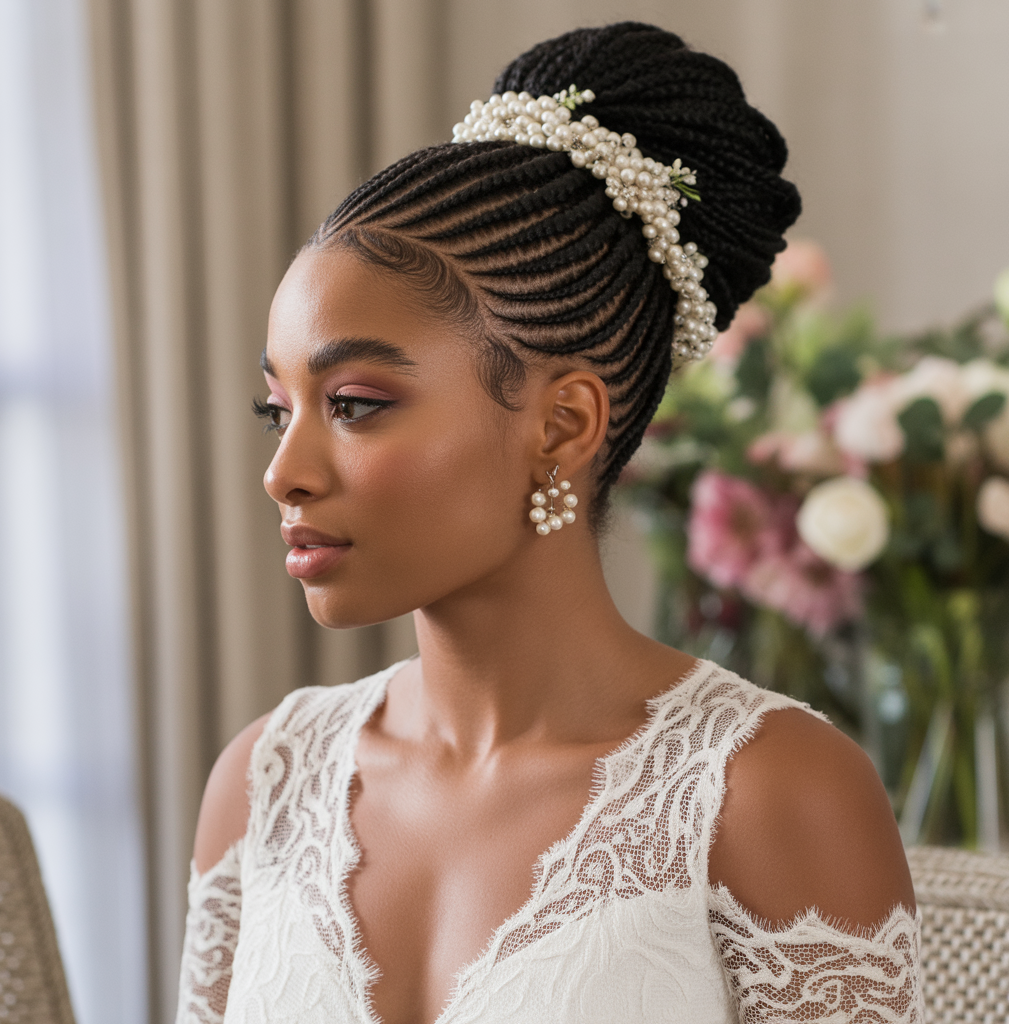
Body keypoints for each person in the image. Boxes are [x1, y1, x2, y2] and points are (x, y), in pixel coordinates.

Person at [176, 22, 923, 1024]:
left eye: (354, 404)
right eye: (279, 410)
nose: (284, 473)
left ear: (562, 425)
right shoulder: (263, 782)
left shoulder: (768, 791)